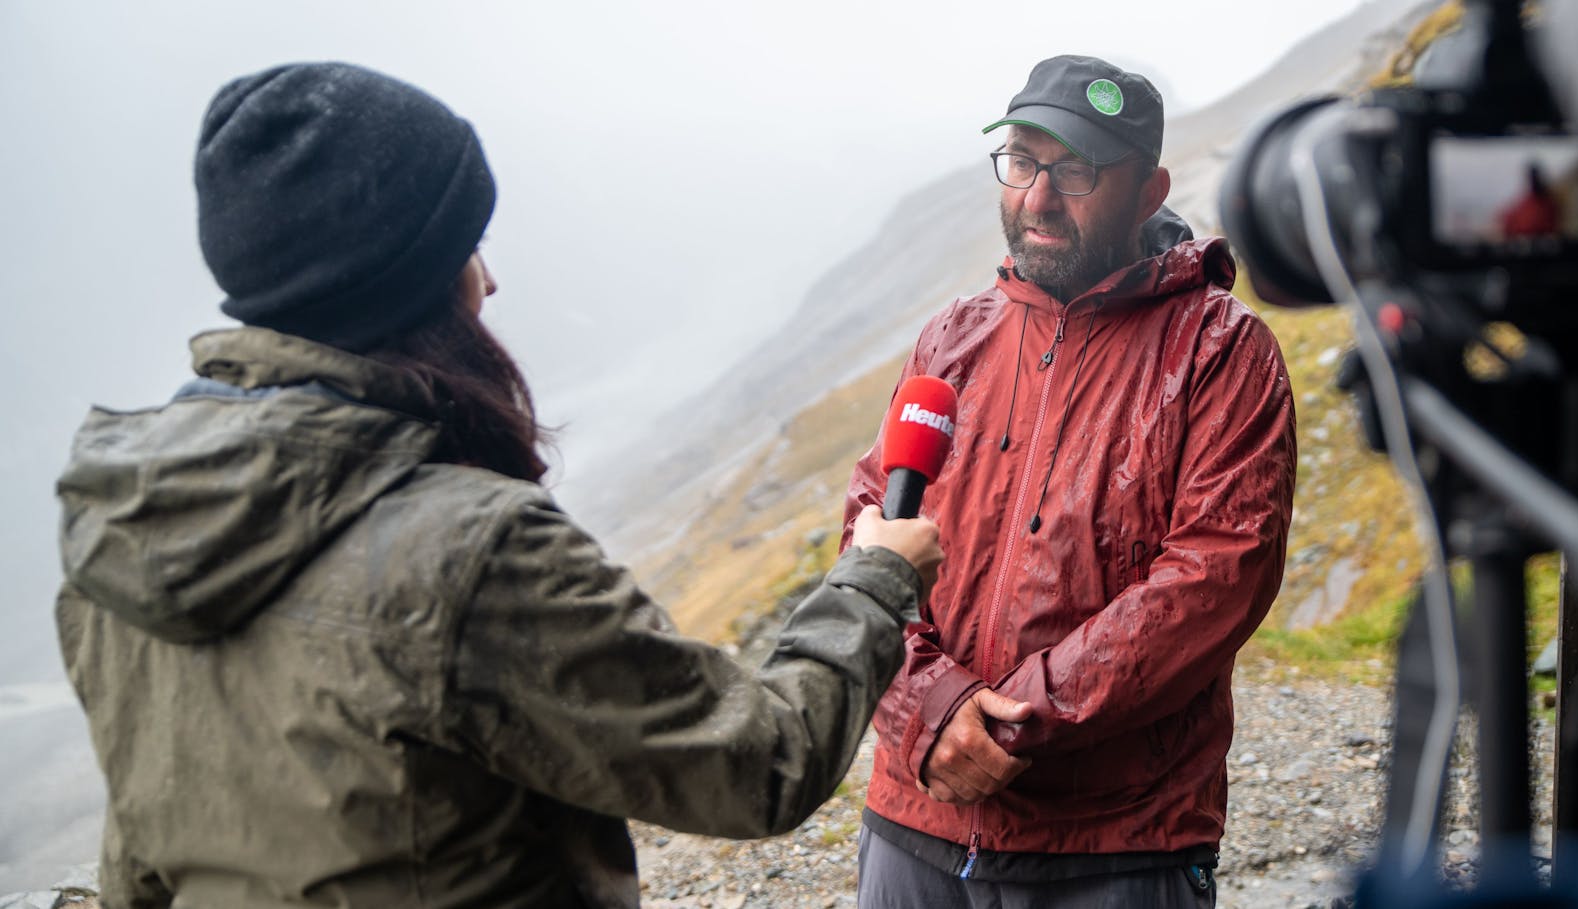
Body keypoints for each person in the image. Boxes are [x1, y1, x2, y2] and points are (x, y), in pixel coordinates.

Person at [54, 62, 943, 909]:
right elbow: (760, 765)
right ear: (406, 282)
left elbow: (139, 860)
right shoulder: (470, 550)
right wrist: (872, 580)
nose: (490, 279)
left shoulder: (127, 526)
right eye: (466, 248)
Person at [841, 55, 1297, 907]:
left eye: (1076, 170)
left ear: (1150, 188)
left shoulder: (1221, 351)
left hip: (1115, 847)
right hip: (914, 823)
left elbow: (1215, 575)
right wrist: (926, 707)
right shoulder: (953, 338)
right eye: (1021, 161)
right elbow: (871, 529)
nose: (1039, 197)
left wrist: (1010, 720)